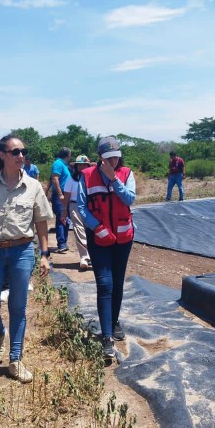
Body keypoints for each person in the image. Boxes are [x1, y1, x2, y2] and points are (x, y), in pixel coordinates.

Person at [0, 135, 53, 383]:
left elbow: (41, 222)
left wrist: (45, 255)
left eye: (23, 152)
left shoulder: (34, 186)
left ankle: (15, 360)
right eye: (15, 152)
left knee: (18, 306)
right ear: (3, 155)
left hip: (22, 251)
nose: (20, 157)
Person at [78, 136, 136, 360]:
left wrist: (114, 181)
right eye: (108, 158)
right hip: (99, 238)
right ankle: (107, 336)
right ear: (100, 158)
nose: (113, 161)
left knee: (118, 282)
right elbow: (82, 208)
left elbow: (130, 199)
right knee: (105, 284)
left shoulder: (127, 174)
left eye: (116, 157)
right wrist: (96, 227)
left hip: (123, 238)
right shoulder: (86, 176)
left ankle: (114, 320)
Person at [61, 154, 93, 271]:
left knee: (91, 230)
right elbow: (67, 196)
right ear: (76, 166)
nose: (82, 167)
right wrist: (64, 210)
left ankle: (93, 255)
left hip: (90, 206)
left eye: (85, 165)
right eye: (80, 165)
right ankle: (84, 257)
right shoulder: (71, 179)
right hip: (75, 205)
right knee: (79, 230)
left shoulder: (92, 178)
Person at [50, 147, 72, 253]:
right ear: (68, 155)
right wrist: (60, 194)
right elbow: (55, 179)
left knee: (66, 219)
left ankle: (64, 242)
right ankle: (61, 243)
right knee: (61, 217)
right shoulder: (58, 164)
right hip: (60, 195)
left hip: (66, 194)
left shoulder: (64, 165)